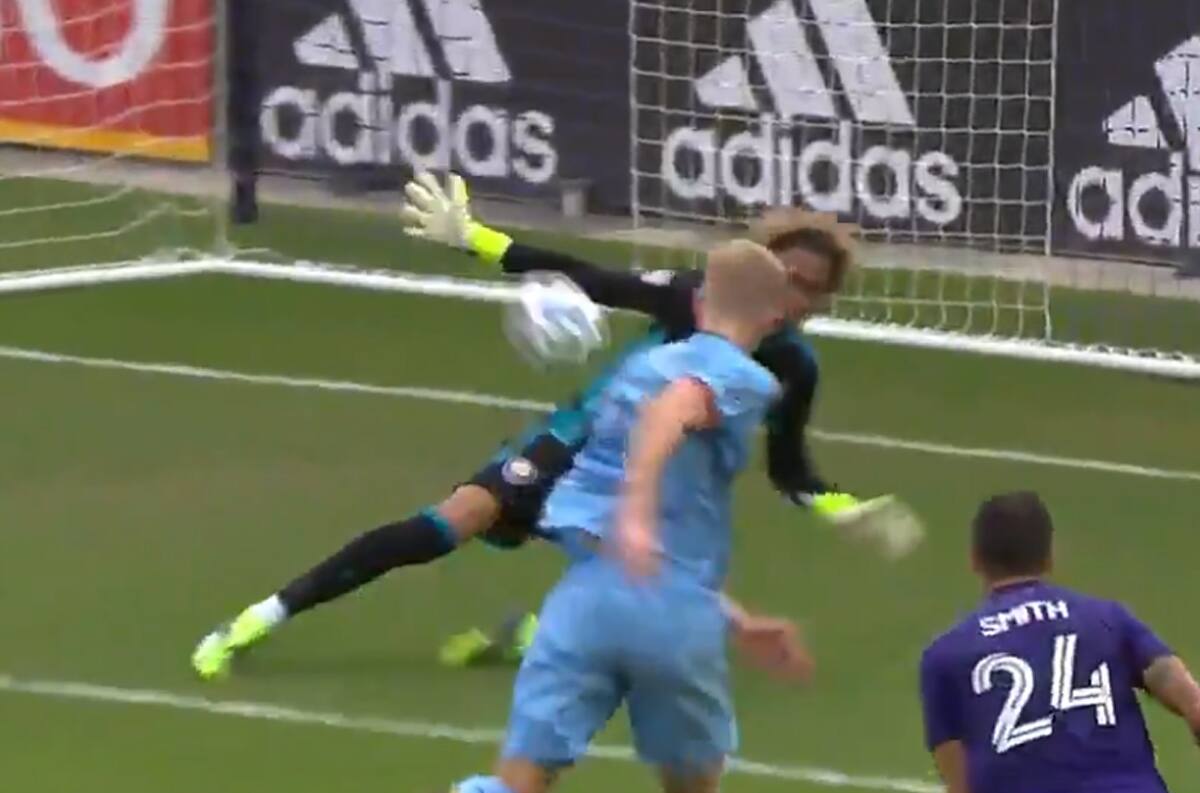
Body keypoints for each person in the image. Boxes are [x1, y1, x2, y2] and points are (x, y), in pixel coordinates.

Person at [189, 173, 897, 680]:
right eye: (787, 274)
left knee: (656, 632)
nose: (794, 293)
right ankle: (262, 615)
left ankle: (532, 635)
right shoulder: (695, 301)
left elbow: (791, 471)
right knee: (448, 523)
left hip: (647, 493)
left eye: (811, 287)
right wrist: (476, 239)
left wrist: (845, 508)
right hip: (570, 446)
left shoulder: (792, 368)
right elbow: (589, 278)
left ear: (825, 300)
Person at [445, 239, 813, 793]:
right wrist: (638, 513)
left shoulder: (638, 367)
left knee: (513, 789)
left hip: (585, 602)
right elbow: (675, 409)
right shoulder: (746, 379)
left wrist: (737, 621)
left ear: (699, 302)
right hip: (671, 619)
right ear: (774, 317)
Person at [919, 491, 1200, 793]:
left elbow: (962, 790)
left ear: (975, 559)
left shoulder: (945, 656)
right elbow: (1179, 689)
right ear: (1050, 556)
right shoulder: (1106, 618)